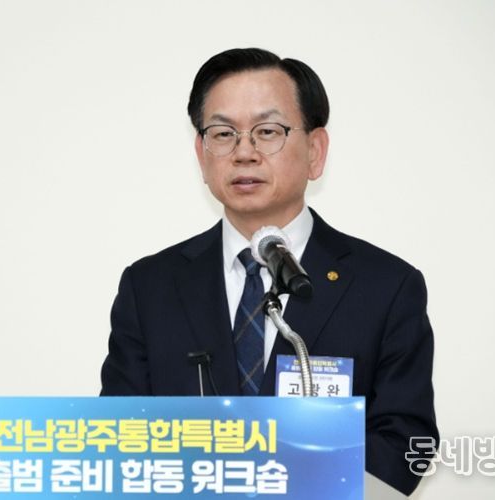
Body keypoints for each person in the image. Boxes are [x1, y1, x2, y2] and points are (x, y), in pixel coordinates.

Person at [100, 47, 438, 495]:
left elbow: (406, 443)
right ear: (202, 154)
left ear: (315, 151)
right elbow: (118, 436)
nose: (244, 152)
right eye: (223, 133)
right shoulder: (149, 287)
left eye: (267, 131)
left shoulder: (386, 286)